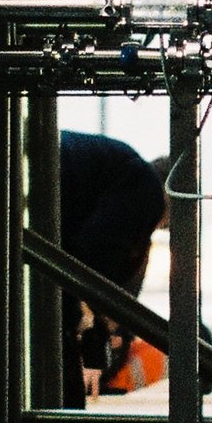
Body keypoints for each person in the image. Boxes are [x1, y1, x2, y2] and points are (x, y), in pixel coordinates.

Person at [58, 131, 168, 402]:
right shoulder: (145, 189)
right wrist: (92, 347)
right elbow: (87, 270)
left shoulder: (114, 169)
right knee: (65, 396)